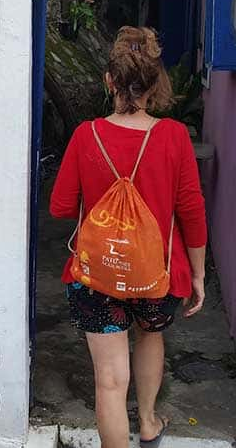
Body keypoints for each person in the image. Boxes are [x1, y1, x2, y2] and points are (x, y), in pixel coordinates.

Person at [50, 26, 208, 448]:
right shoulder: (174, 136)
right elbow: (192, 210)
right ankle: (150, 422)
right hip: (155, 273)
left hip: (97, 275)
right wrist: (197, 274)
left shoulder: (87, 135)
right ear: (156, 81)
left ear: (109, 80)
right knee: (150, 335)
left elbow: (61, 207)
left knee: (109, 383)